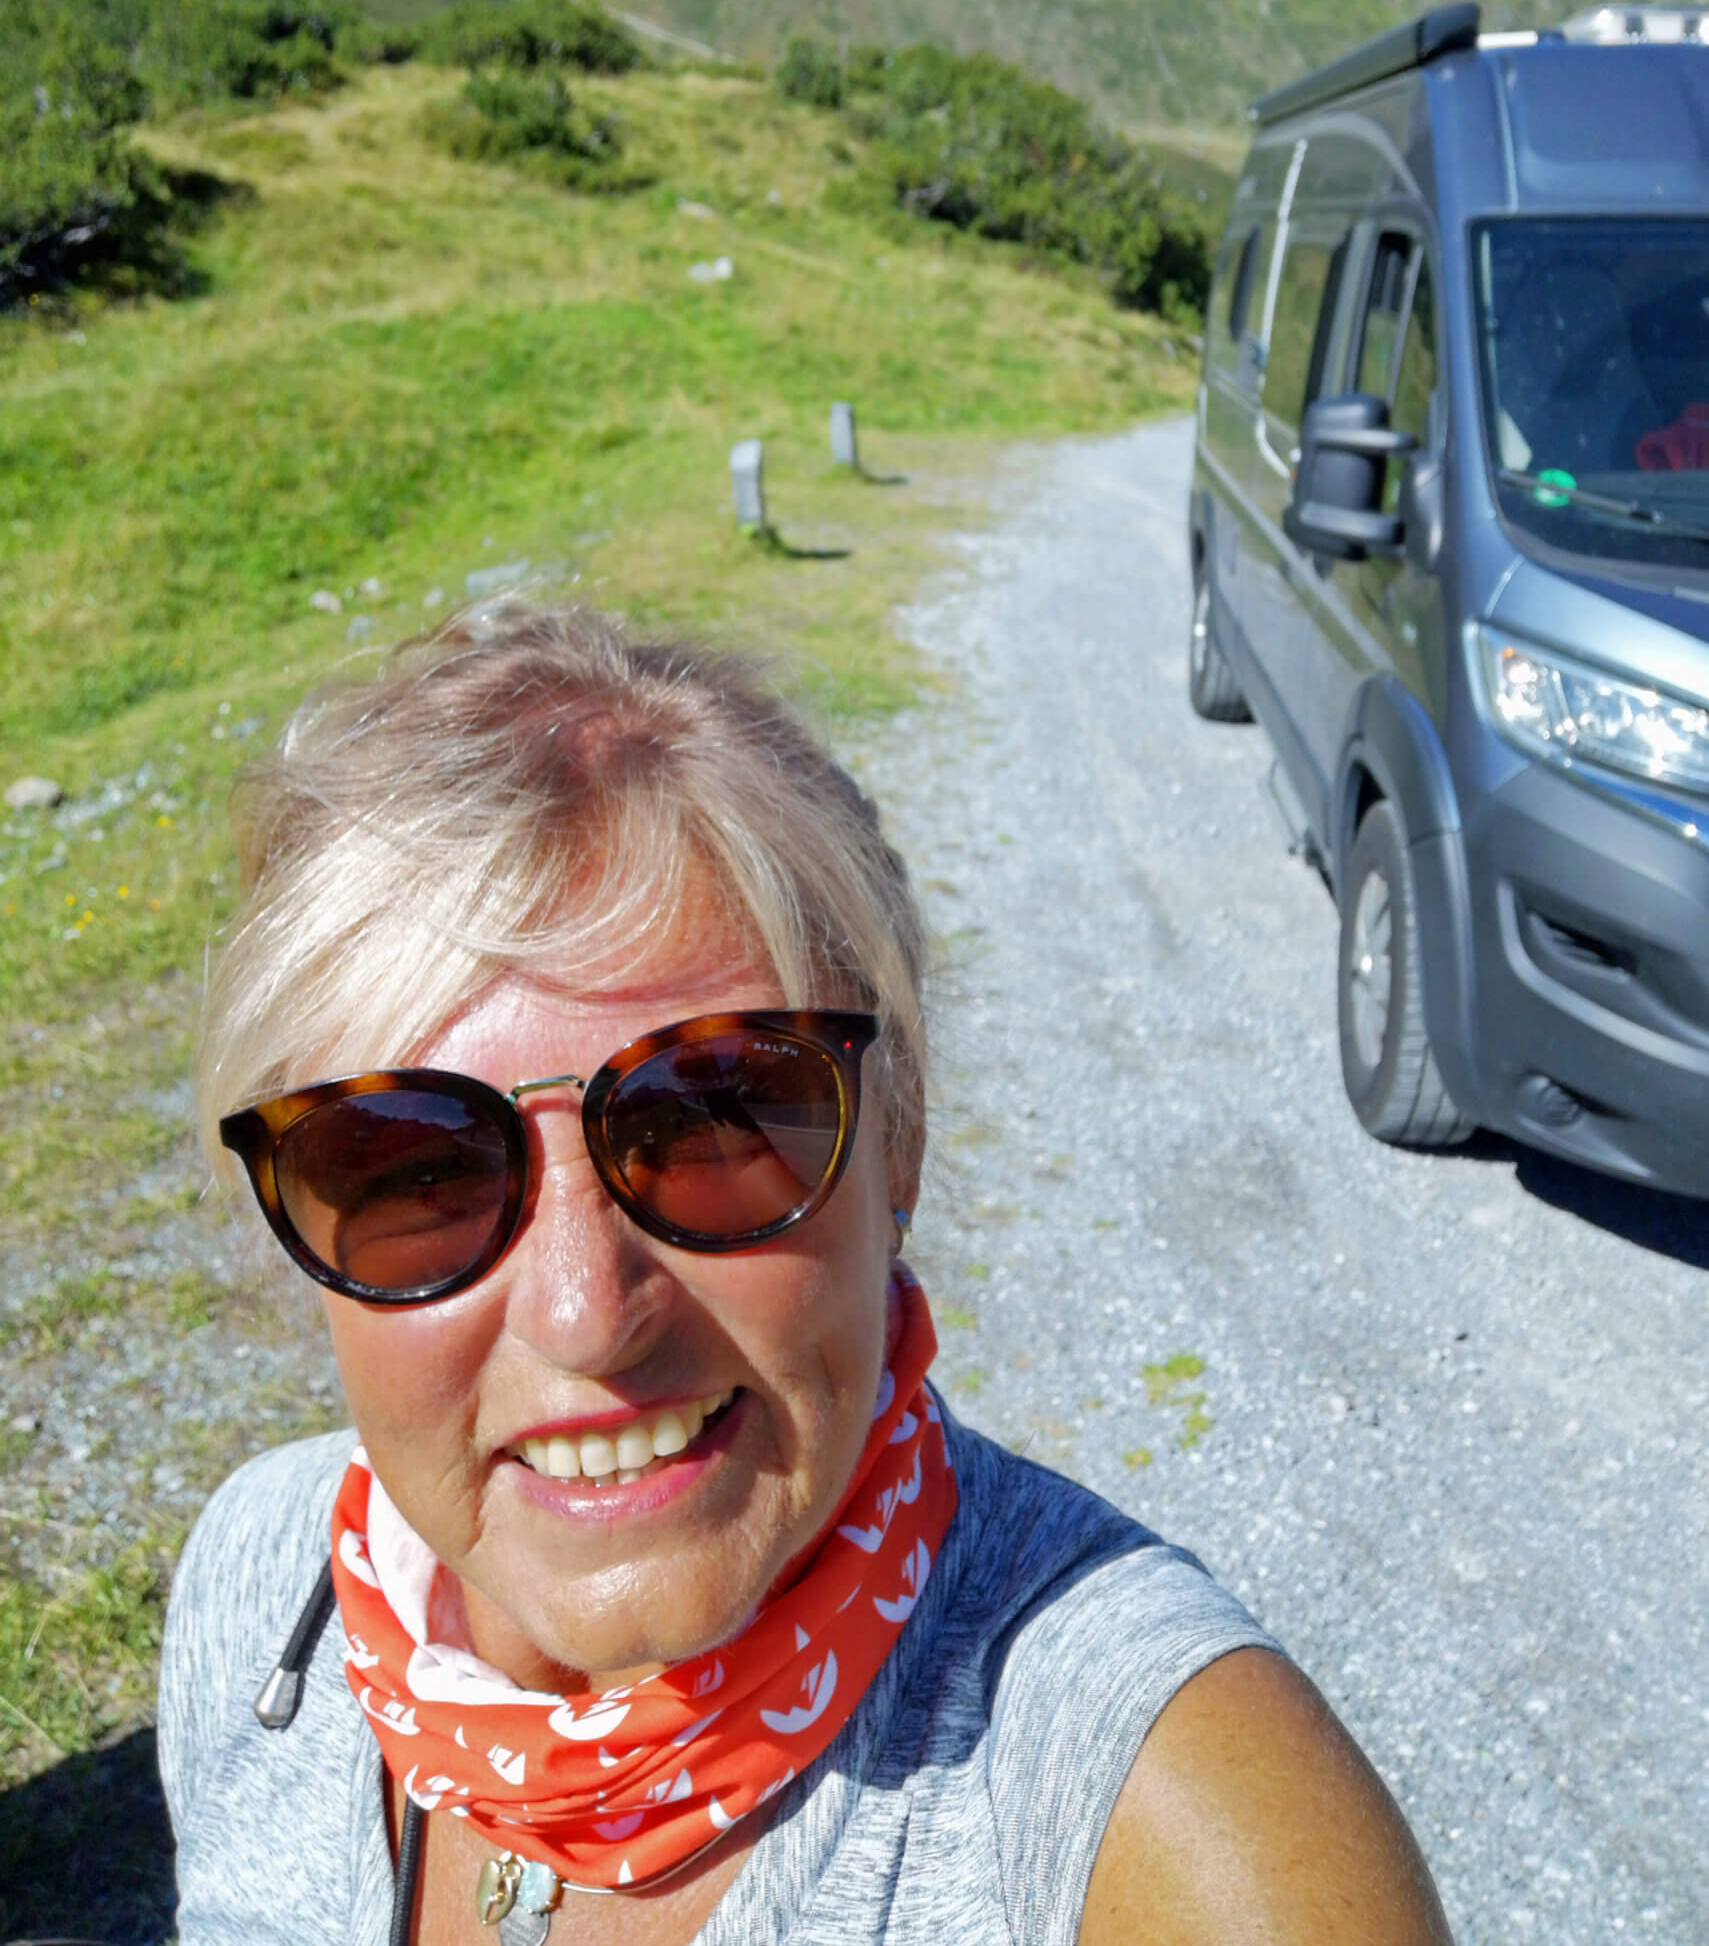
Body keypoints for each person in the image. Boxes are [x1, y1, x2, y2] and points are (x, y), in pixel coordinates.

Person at [159, 603, 1452, 1945]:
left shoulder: (1170, 1821)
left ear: (899, 1140)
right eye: (414, 1168)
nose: (585, 1316)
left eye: (711, 1118)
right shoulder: (260, 1579)